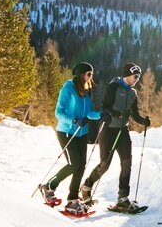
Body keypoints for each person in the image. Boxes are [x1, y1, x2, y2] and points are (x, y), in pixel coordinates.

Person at [81, 62, 151, 210]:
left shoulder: (133, 93)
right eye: (135, 76)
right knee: (104, 164)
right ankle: (87, 186)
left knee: (127, 164)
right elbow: (105, 106)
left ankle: (123, 198)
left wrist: (143, 121)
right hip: (109, 129)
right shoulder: (113, 87)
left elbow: (134, 113)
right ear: (127, 75)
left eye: (138, 77)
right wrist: (117, 114)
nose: (137, 79)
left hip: (123, 131)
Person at [38, 62, 101, 216]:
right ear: (81, 74)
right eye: (88, 74)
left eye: (91, 74)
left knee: (81, 166)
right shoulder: (68, 88)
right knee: (74, 164)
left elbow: (88, 114)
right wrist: (73, 120)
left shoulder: (86, 90)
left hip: (81, 132)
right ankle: (49, 186)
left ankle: (72, 199)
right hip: (67, 131)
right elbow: (58, 112)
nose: (91, 77)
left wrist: (101, 115)